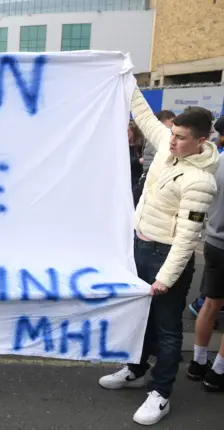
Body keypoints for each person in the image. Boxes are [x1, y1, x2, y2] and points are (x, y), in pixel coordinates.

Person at [98, 89, 219, 426]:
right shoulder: (169, 145)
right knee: (140, 318)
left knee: (167, 329)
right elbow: (145, 116)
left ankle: (161, 393)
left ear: (200, 142)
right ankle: (136, 370)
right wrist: (126, 76)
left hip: (166, 257)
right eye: (173, 134)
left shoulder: (201, 181)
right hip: (140, 247)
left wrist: (165, 278)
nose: (171, 142)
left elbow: (186, 239)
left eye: (180, 138)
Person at [187, 140, 224, 392]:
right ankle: (218, 371)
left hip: (212, 241)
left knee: (211, 303)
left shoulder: (217, 161)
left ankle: (198, 363)